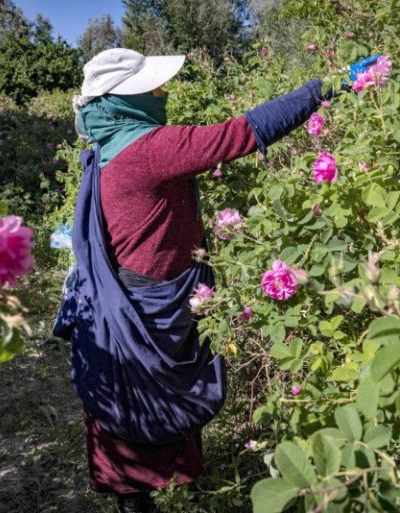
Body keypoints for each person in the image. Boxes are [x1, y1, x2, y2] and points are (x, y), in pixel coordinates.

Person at [54, 48, 343, 513]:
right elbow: (242, 133)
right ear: (126, 99)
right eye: (154, 89)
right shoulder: (149, 149)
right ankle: (136, 499)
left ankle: (156, 486)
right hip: (147, 299)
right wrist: (323, 88)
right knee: (147, 394)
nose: (163, 93)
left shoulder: (110, 142)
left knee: (145, 391)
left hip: (139, 294)